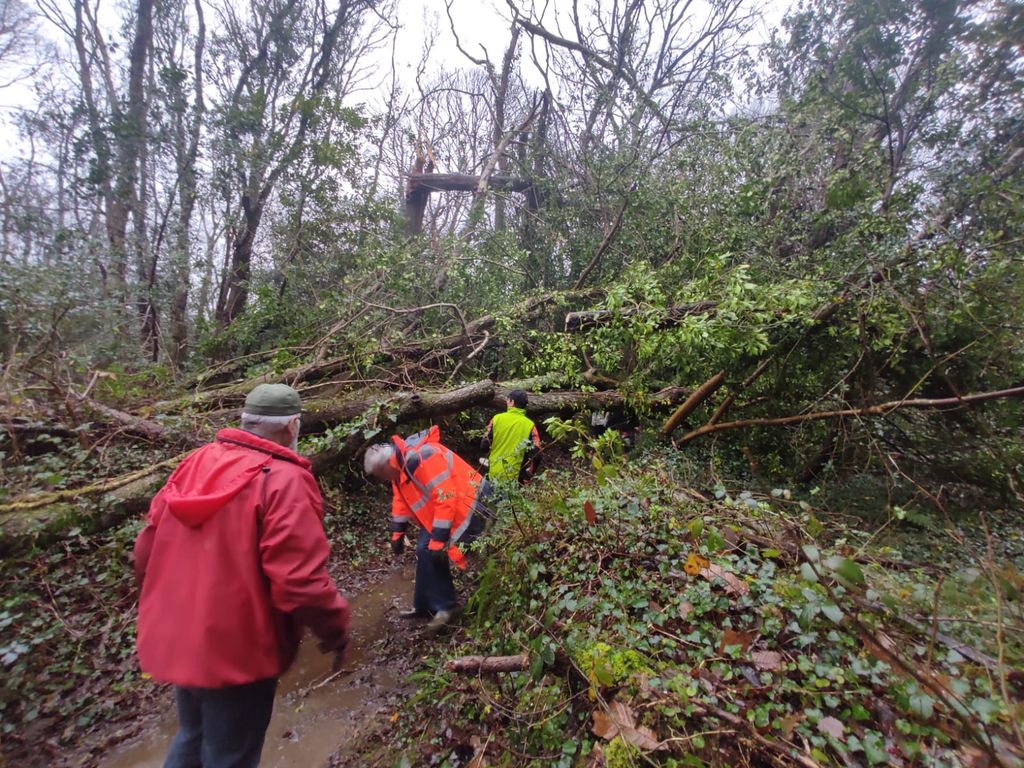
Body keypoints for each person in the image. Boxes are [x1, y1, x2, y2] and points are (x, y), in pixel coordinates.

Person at [133, 383, 351, 768]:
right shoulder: (285, 479)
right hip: (240, 648)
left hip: (182, 632)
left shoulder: (196, 461)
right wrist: (334, 628)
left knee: (193, 735)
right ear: (292, 426)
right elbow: (298, 581)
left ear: (246, 421)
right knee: (230, 755)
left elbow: (146, 548)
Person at [363, 425, 491, 633]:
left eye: (379, 474)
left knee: (470, 552)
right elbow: (401, 501)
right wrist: (398, 533)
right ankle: (425, 605)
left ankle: (449, 607)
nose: (381, 479)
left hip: (471, 504)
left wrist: (439, 539)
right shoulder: (399, 468)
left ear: (386, 465)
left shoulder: (422, 459)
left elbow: (445, 498)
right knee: (424, 549)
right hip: (444, 511)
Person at [481, 389, 542, 485]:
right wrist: (529, 474)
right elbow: (537, 454)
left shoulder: (497, 419)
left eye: (507, 400)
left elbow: (484, 446)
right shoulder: (530, 426)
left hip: (493, 475)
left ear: (512, 402)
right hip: (514, 482)